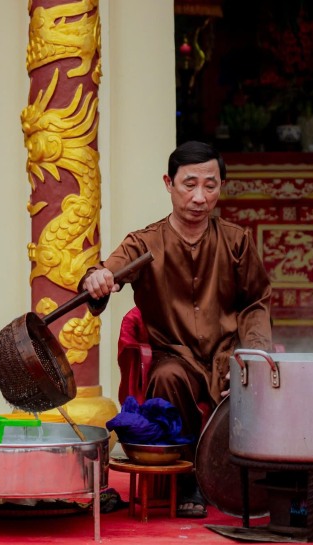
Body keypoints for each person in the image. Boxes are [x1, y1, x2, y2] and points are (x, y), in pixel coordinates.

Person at [80, 140, 272, 518]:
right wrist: (99, 277)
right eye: (189, 184)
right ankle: (187, 480)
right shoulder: (145, 242)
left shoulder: (236, 241)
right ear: (169, 183)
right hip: (176, 356)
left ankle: (248, 478)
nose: (200, 197)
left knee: (257, 377)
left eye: (210, 185)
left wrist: (253, 352)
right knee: (168, 377)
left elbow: (256, 302)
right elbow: (109, 270)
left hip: (227, 355)